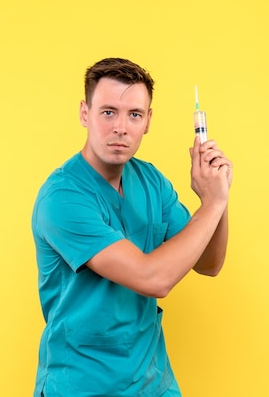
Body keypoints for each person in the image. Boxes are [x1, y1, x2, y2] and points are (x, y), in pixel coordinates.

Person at [31, 58, 233, 397]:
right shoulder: (62, 197)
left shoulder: (151, 181)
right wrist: (211, 205)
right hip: (84, 385)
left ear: (148, 121)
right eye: (108, 112)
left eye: (134, 114)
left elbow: (209, 263)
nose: (121, 127)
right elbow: (153, 278)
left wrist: (219, 196)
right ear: (85, 113)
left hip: (152, 383)